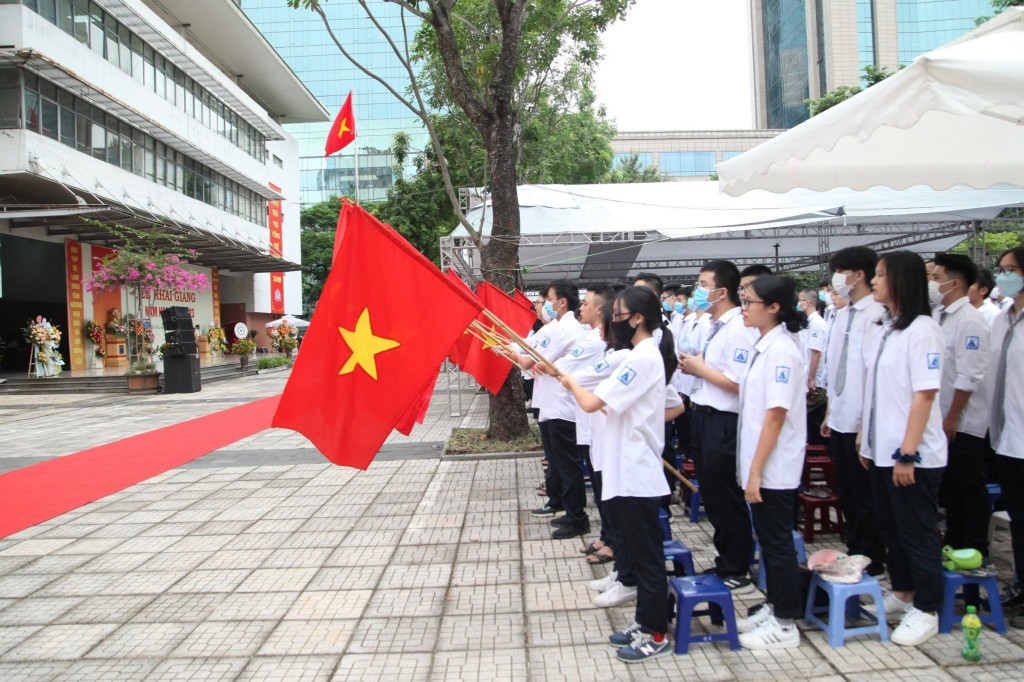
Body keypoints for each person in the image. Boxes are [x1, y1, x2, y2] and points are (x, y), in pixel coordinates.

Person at [560, 286, 680, 662]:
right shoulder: (640, 356)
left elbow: (593, 401)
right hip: (626, 468)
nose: (613, 320)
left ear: (638, 318)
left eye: (619, 314)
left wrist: (569, 382)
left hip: (636, 473)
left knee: (647, 557)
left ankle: (656, 632)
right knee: (636, 549)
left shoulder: (641, 358)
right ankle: (645, 621)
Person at [861, 250, 947, 647]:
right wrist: (867, 437)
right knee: (890, 526)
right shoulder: (887, 327)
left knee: (916, 532)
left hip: (912, 456)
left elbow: (924, 395)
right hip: (883, 450)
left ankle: (927, 607)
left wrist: (907, 453)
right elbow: (879, 391)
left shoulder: (923, 330)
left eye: (880, 275)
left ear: (901, 281)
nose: (874, 281)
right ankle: (903, 591)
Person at [734, 275, 808, 650]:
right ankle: (776, 603)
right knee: (768, 540)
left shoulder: (782, 351)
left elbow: (775, 416)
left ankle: (785, 622)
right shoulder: (765, 344)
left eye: (749, 302)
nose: (744, 308)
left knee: (777, 544)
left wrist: (756, 472)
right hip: (760, 464)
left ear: (774, 307)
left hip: (774, 469)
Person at [678, 260, 756, 594]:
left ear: (721, 291)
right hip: (704, 414)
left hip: (725, 419)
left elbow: (738, 382)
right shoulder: (714, 326)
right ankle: (726, 559)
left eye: (702, 284)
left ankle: (738, 566)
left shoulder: (739, 327)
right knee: (713, 493)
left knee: (726, 496)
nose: (697, 291)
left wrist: (700, 369)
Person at [503, 280, 587, 538]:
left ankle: (577, 516)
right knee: (558, 461)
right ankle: (565, 506)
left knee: (566, 463)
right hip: (551, 402)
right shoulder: (557, 327)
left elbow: (530, 359)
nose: (544, 305)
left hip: (563, 405)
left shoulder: (565, 329)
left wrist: (516, 354)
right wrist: (516, 353)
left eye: (547, 300)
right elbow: (529, 355)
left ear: (562, 302)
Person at [821, 246, 887, 575]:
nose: (836, 282)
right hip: (841, 415)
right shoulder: (842, 313)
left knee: (865, 493)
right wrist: (830, 411)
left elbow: (873, 371)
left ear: (858, 274)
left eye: (840, 272)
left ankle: (872, 555)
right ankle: (854, 548)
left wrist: (865, 421)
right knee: (845, 488)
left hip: (865, 419)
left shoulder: (877, 314)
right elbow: (836, 367)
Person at [930, 253, 991, 563]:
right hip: (942, 417)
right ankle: (954, 543)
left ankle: (976, 548)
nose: (931, 282)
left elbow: (969, 376)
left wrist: (953, 415)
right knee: (951, 488)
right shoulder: (941, 315)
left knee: (968, 485)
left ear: (954, 283)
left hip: (962, 422)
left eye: (936, 277)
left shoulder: (969, 319)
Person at [986, 246, 1024, 628]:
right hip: (1006, 436)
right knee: (1018, 519)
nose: (1003, 276)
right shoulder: (1002, 320)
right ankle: (1019, 585)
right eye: (1001, 269)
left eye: (1010, 269)